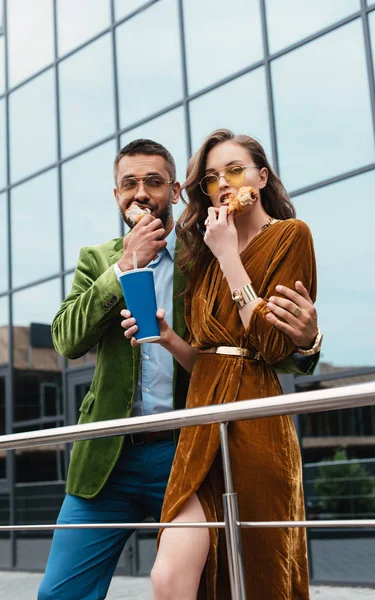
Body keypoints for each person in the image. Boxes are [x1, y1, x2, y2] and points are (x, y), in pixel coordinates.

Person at [38, 138, 321, 600]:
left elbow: (251, 351)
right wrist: (124, 264)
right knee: (58, 594)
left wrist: (309, 343)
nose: (141, 193)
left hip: (188, 451)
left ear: (174, 192)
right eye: (129, 184)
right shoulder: (97, 260)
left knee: (205, 584)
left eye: (153, 181)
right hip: (108, 459)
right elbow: (66, 340)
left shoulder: (204, 255)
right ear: (116, 196)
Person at [122, 130, 318, 599]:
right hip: (199, 426)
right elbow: (209, 357)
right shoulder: (206, 254)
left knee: (256, 572)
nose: (223, 184)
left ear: (262, 176)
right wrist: (170, 340)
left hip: (256, 424)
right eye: (211, 178)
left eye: (235, 170)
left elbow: (270, 344)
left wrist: (231, 255)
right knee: (168, 575)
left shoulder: (291, 235)